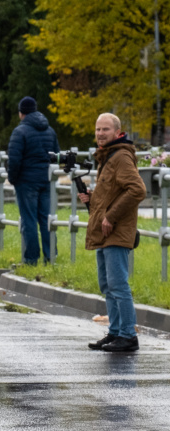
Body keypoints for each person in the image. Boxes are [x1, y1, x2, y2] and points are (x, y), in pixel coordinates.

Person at [79, 113, 146, 353]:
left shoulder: (121, 157)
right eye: (97, 130)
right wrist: (91, 198)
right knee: (107, 285)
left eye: (105, 130)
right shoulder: (107, 157)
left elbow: (137, 190)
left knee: (118, 285)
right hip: (105, 232)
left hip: (116, 231)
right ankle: (116, 332)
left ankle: (128, 336)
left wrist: (111, 217)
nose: (100, 134)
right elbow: (112, 193)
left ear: (118, 133)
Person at [7, 96, 59, 265]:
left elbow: (14, 160)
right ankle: (51, 256)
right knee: (46, 219)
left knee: (29, 220)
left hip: (26, 181)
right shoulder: (50, 130)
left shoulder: (19, 131)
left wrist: (13, 179)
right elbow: (56, 156)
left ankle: (31, 259)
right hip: (46, 180)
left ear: (21, 112)